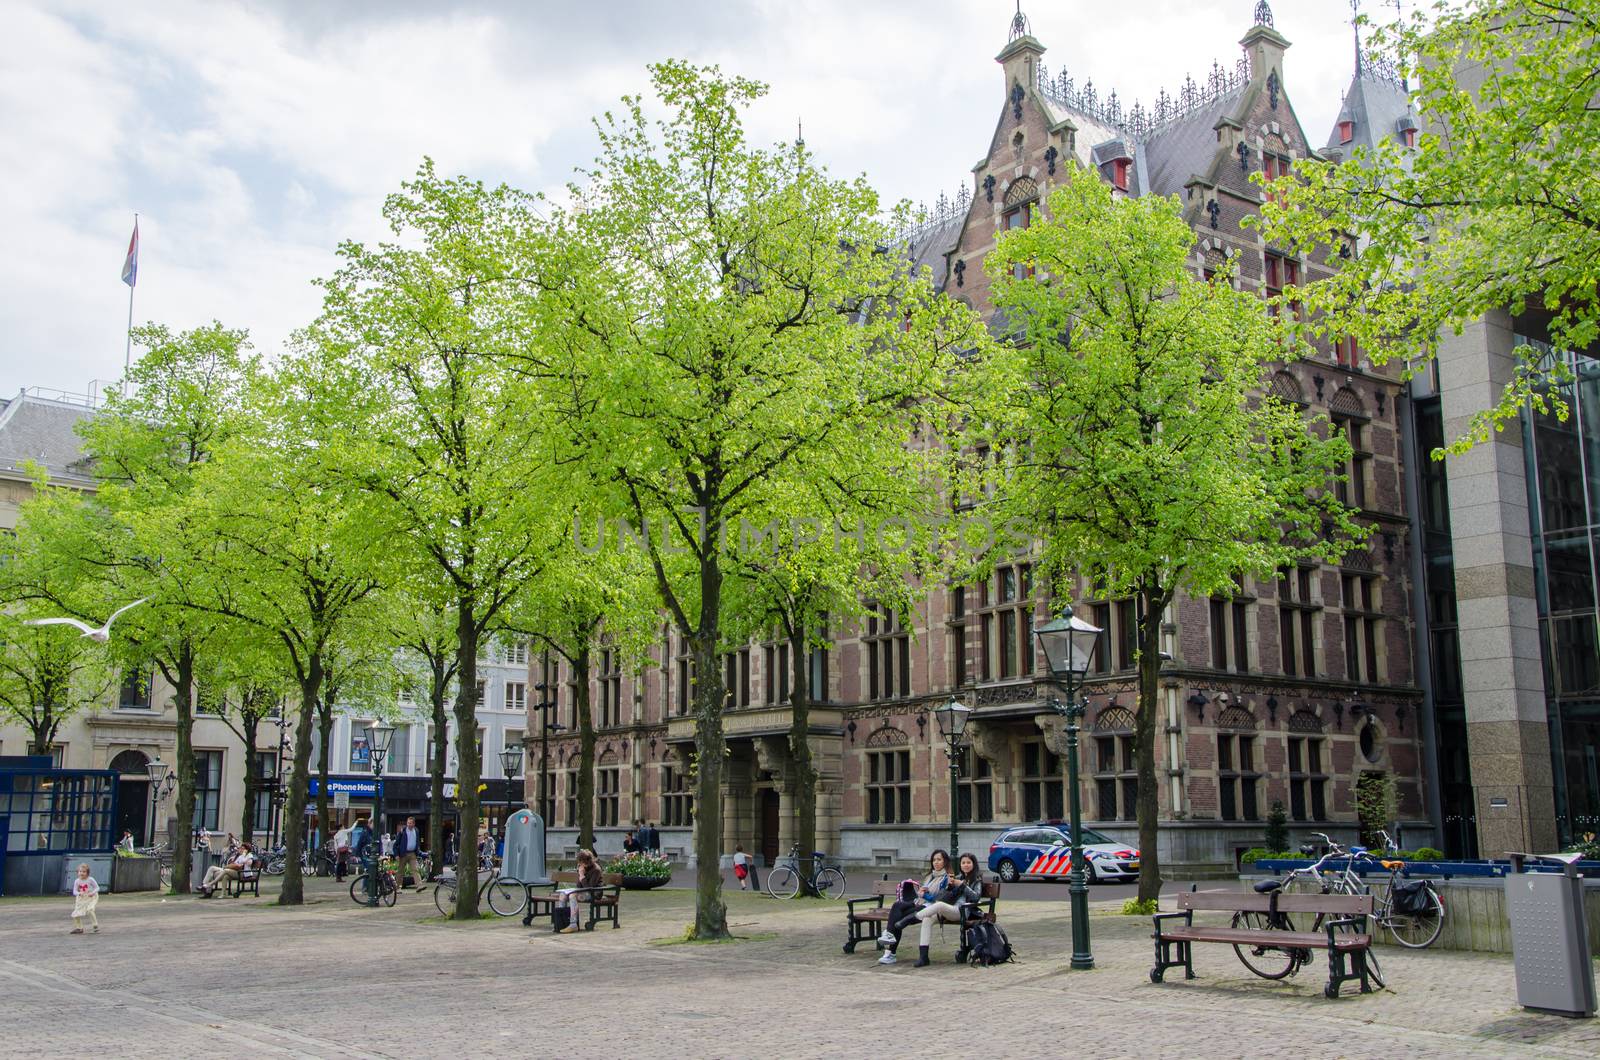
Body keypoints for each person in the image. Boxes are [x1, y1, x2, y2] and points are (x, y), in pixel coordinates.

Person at [876, 849, 952, 966]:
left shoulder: (947, 878)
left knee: (898, 919)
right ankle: (889, 938)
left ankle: (890, 952)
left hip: (929, 908)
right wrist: (921, 892)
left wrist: (924, 894)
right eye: (934, 860)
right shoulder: (930, 876)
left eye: (939, 860)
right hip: (918, 903)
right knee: (897, 906)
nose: (936, 862)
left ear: (945, 861)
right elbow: (921, 895)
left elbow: (941, 899)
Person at [910, 851, 983, 967]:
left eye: (969, 862)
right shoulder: (956, 877)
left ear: (974, 864)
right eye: (963, 863)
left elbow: (976, 897)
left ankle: (912, 918)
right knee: (927, 919)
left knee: (939, 906)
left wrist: (962, 885)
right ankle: (923, 957)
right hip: (950, 909)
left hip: (962, 912)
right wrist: (949, 887)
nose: (966, 865)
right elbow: (942, 898)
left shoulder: (977, 880)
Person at [556, 849, 603, 934]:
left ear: (586, 861)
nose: (579, 864)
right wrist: (580, 874)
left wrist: (582, 876)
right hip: (585, 892)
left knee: (572, 896)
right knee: (563, 895)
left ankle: (573, 924)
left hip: (594, 894)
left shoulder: (596, 870)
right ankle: (561, 923)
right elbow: (579, 886)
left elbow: (589, 888)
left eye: (580, 862)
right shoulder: (583, 868)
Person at [395, 816, 425, 890]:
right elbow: (396, 843)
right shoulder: (403, 831)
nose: (409, 824)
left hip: (412, 853)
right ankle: (398, 888)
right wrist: (396, 854)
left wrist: (418, 851)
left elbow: (417, 841)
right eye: (408, 823)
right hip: (403, 853)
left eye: (410, 823)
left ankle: (419, 885)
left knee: (415, 869)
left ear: (414, 824)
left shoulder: (416, 830)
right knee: (401, 871)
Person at [69, 863, 100, 934]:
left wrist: (92, 892)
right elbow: (74, 891)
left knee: (90, 909)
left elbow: (97, 888)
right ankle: (79, 928)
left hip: (92, 897)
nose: (81, 873)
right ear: (77, 872)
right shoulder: (77, 881)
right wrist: (79, 893)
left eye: (84, 871)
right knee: (76, 913)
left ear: (87, 873)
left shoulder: (90, 879)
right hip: (82, 898)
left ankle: (95, 925)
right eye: (80, 871)